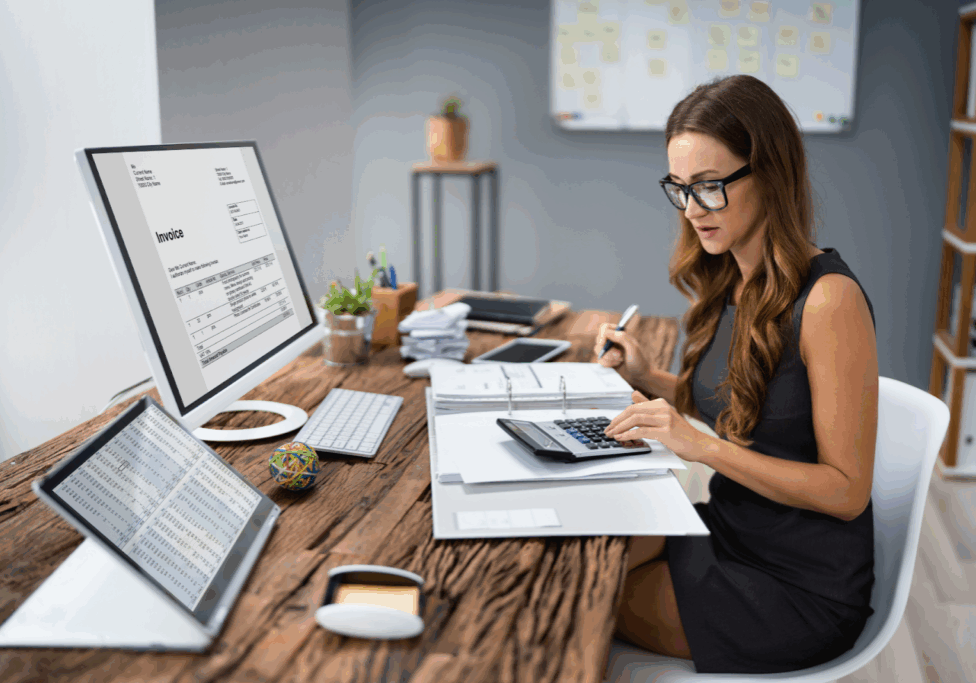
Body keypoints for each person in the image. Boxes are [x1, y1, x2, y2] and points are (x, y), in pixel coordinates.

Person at [594, 74, 878, 674]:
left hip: (796, 588)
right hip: (730, 531)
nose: (694, 210)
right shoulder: (735, 278)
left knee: (582, 597)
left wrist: (700, 448)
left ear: (770, 173)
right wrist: (651, 379)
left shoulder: (828, 301)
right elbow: (751, 409)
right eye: (681, 188)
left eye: (711, 187)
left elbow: (846, 491)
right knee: (579, 556)